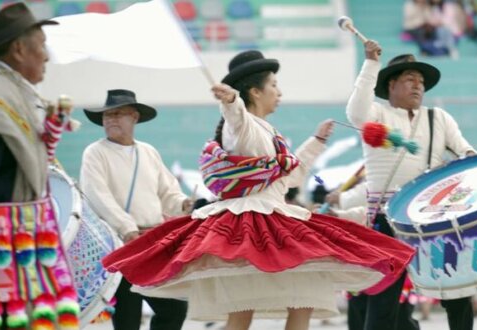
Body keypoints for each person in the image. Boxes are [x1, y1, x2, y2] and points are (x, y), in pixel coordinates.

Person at [101, 50, 415, 330]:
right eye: (274, 85)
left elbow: (288, 177)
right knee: (243, 315)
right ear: (255, 91)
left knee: (301, 301)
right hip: (251, 225)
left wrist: (317, 142)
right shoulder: (243, 125)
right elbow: (237, 120)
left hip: (276, 217)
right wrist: (230, 101)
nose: (279, 92)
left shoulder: (270, 132)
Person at [346, 41, 476, 330]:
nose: (418, 86)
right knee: (384, 301)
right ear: (391, 85)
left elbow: (466, 152)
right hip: (387, 220)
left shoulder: (439, 117)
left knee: (458, 294)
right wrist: (370, 64)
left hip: (435, 219)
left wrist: (466, 164)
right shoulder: (376, 115)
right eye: (409, 80)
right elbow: (355, 112)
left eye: (421, 82)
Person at [0, 2, 79, 329]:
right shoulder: (1, 99)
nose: (46, 56)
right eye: (41, 46)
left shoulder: (17, 93)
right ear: (18, 49)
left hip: (22, 243)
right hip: (6, 245)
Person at [79, 89, 191, 330]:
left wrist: (184, 204)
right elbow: (98, 196)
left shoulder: (148, 152)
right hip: (120, 243)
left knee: (173, 308)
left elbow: (167, 190)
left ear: (134, 117)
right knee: (128, 314)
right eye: (107, 116)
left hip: (152, 242)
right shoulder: (95, 153)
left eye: (118, 114)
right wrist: (127, 228)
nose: (110, 120)